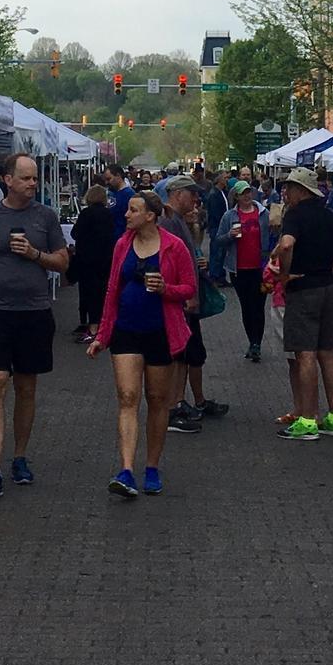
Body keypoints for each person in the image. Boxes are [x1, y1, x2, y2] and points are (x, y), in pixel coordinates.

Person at [0, 154, 69, 501]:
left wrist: (35, 254)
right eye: (26, 179)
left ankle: (20, 456)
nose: (33, 184)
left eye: (35, 179)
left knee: (27, 388)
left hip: (33, 313)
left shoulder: (45, 217)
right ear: (8, 180)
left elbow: (64, 262)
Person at [88, 191, 197, 497]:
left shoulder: (174, 247)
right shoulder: (123, 244)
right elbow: (112, 290)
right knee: (127, 397)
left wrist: (166, 288)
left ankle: (152, 466)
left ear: (150, 215)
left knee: (157, 400)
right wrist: (102, 336)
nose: (126, 214)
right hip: (126, 330)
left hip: (160, 331)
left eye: (133, 210)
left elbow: (189, 287)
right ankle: (125, 470)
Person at [268, 166, 333, 440]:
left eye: (289, 188)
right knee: (327, 351)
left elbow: (286, 245)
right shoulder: (330, 216)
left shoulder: (296, 216)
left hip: (303, 287)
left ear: (301, 191)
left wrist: (285, 275)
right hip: (327, 286)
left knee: (305, 353)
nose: (286, 193)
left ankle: (308, 420)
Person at [161, 179, 226, 432]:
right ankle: (172, 406)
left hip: (185, 297)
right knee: (178, 354)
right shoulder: (168, 221)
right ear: (178, 194)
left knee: (187, 353)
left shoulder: (179, 220)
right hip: (179, 300)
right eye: (192, 194)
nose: (196, 200)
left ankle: (181, 402)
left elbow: (188, 251)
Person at [213, 178, 273, 361]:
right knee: (246, 307)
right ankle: (252, 340)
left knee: (259, 306)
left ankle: (257, 344)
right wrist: (229, 235)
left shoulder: (263, 213)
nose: (247, 196)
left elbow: (275, 234)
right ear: (236, 196)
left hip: (260, 268)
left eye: (249, 192)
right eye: (243, 193)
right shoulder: (229, 216)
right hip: (238, 269)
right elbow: (218, 240)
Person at [69, 184, 121, 342]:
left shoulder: (86, 213)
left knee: (86, 292)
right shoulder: (108, 214)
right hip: (105, 258)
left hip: (86, 259)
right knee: (101, 292)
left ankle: (90, 325)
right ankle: (100, 323)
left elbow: (75, 233)